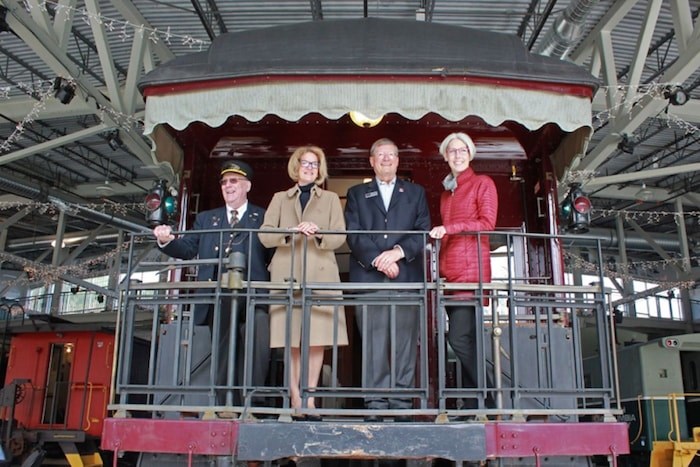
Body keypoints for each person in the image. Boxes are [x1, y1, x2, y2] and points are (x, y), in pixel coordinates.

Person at [152, 160, 272, 405]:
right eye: (224, 182)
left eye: (234, 181)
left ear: (247, 186)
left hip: (254, 297)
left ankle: (255, 400)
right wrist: (166, 240)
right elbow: (187, 249)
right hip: (219, 297)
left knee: (259, 337)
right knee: (224, 349)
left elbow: (274, 255)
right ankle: (224, 404)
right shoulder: (207, 219)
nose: (228, 186)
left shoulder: (264, 217)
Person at [344, 138, 431, 422]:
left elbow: (422, 230)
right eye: (380, 155)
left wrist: (397, 253)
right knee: (373, 340)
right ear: (371, 160)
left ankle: (402, 401)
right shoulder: (356, 193)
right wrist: (378, 259)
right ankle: (376, 402)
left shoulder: (416, 193)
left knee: (405, 341)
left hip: (406, 277)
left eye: (391, 155)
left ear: (398, 160)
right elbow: (353, 233)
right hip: (369, 278)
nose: (386, 159)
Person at [259, 145, 348, 418]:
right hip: (288, 275)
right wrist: (291, 231)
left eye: (314, 164)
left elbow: (340, 236)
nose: (309, 168)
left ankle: (310, 399)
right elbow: (265, 235)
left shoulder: (332, 198)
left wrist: (318, 233)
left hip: (321, 275)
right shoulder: (279, 198)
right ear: (296, 167)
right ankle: (295, 398)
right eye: (305, 163)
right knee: (292, 340)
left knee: (317, 340)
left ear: (320, 170)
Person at [428, 132, 498, 410]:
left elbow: (487, 223)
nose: (457, 155)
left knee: (458, 339)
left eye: (462, 150)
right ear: (446, 156)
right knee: (465, 341)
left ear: (470, 154)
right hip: (450, 275)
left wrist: (449, 229)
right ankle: (474, 405)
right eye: (452, 151)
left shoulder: (483, 183)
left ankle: (489, 398)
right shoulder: (448, 193)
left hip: (471, 275)